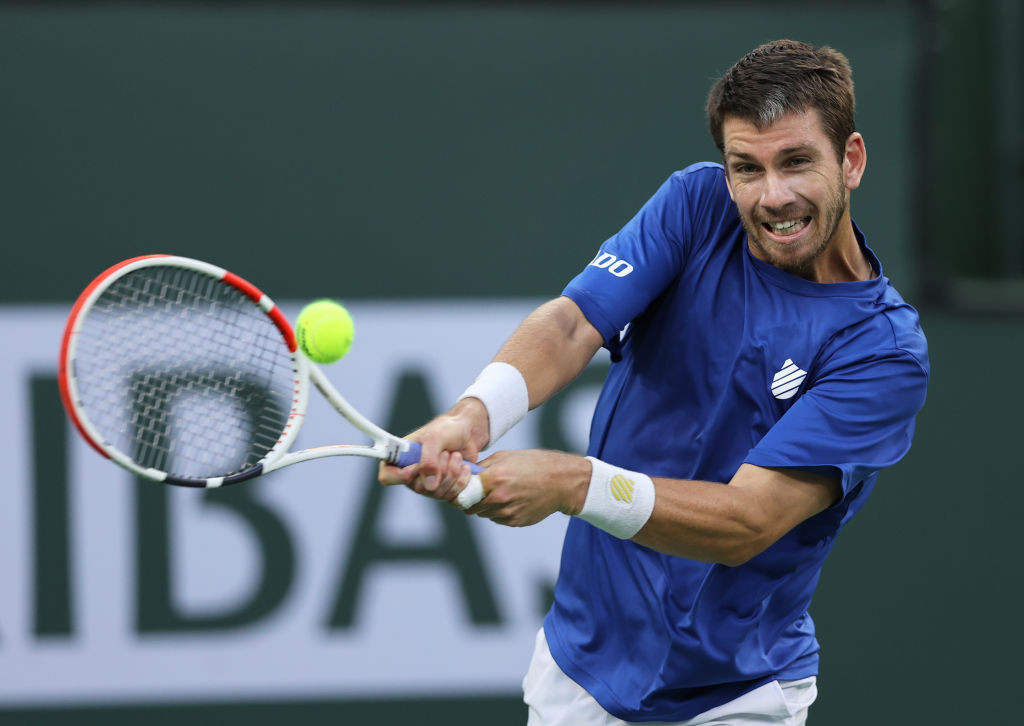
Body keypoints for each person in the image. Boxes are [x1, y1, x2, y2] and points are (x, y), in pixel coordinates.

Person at [379, 39, 929, 725]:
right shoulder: (696, 203)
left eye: (796, 162)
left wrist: (574, 483)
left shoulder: (882, 351)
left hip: (736, 695)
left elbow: (747, 521)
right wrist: (472, 416)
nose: (773, 196)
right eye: (747, 168)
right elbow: (573, 324)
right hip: (579, 667)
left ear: (850, 160)